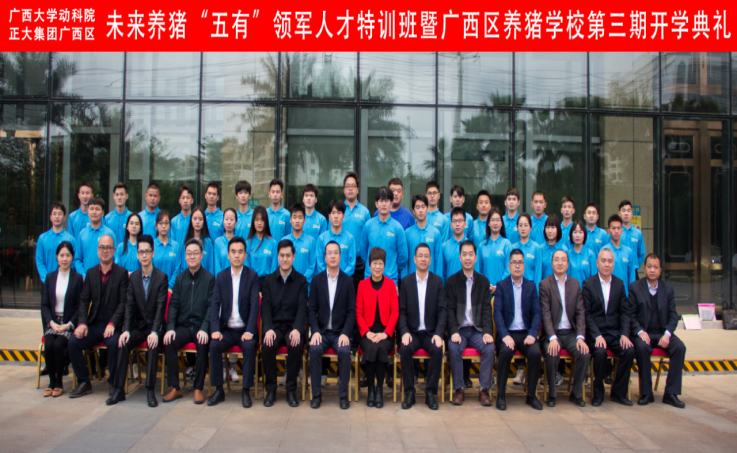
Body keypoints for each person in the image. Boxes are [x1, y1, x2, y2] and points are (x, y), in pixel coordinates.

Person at [106, 235, 168, 407]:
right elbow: (129, 305)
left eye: (147, 251)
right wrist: (126, 329)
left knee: (152, 344)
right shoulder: (133, 277)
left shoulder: (161, 277)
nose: (144, 255)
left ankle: (150, 390)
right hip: (139, 327)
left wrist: (155, 331)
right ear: (137, 254)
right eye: (141, 252)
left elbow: (160, 307)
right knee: (122, 342)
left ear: (153, 253)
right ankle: (118, 389)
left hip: (155, 327)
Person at [68, 235, 129, 398]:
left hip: (113, 326)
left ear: (114, 251)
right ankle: (84, 382)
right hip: (94, 325)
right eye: (102, 247)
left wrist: (112, 323)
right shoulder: (91, 273)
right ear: (97, 250)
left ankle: (113, 384)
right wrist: (82, 323)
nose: (105, 251)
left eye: (108, 247)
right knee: (73, 342)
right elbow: (83, 301)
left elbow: (123, 303)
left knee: (115, 343)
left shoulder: (121, 273)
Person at [207, 237, 260, 408]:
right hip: (227, 330)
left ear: (245, 255)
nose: (237, 255)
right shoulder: (221, 276)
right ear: (228, 255)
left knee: (249, 347)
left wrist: (250, 330)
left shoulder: (252, 276)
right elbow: (214, 305)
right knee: (214, 345)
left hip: (245, 329)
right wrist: (215, 329)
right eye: (233, 252)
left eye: (240, 252)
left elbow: (255, 306)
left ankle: (246, 391)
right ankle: (218, 390)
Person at [163, 238, 216, 405]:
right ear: (185, 256)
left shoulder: (209, 279)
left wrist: (205, 328)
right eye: (189, 253)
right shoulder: (179, 279)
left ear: (201, 255)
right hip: (184, 326)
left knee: (203, 342)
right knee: (169, 340)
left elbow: (212, 307)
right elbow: (173, 306)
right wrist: (170, 328)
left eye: (195, 253)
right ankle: (175, 387)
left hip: (201, 326)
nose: (192, 256)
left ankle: (198, 388)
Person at [630, 253, 686, 408]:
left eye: (655, 267)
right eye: (649, 266)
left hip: (662, 333)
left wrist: (667, 334)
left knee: (680, 347)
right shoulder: (635, 287)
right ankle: (646, 393)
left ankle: (671, 394)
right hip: (644, 334)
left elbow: (673, 315)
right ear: (644, 268)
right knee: (642, 348)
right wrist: (640, 332)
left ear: (660, 270)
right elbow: (631, 315)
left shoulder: (667, 289)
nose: (652, 270)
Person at [583, 248, 635, 407]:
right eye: (603, 261)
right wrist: (597, 335)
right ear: (597, 263)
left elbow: (625, 313)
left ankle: (618, 392)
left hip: (614, 333)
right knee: (599, 353)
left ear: (614, 264)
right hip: (596, 334)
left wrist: (624, 334)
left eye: (610, 261)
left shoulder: (619, 284)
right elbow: (587, 314)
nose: (607, 264)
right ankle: (598, 394)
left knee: (629, 351)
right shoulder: (588, 284)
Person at [308, 241, 356, 410]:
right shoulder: (317, 280)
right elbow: (311, 310)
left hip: (339, 333)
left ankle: (343, 395)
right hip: (321, 332)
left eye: (336, 253)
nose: (333, 256)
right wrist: (314, 331)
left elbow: (351, 312)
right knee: (314, 349)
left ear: (340, 256)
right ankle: (316, 395)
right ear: (325, 256)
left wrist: (345, 333)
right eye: (330, 253)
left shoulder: (348, 281)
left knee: (344, 351)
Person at [539, 249, 590, 408]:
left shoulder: (575, 284)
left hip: (571, 334)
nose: (559, 263)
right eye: (556, 259)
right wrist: (552, 337)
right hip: (552, 333)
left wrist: (580, 337)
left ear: (568, 264)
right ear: (552, 263)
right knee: (552, 353)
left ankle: (576, 393)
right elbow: (545, 314)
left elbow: (580, 312)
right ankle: (552, 394)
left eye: (563, 260)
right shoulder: (545, 284)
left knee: (584, 354)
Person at [261, 240, 309, 408]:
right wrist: (267, 329)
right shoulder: (268, 280)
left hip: (291, 327)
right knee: (267, 345)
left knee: (295, 345)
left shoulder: (301, 280)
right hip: (274, 328)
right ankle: (271, 390)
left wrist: (297, 329)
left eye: (288, 255)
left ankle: (291, 390)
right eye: (282, 255)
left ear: (294, 257)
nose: (285, 259)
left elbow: (302, 307)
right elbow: (265, 307)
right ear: (278, 257)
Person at [446, 240, 494, 407]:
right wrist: (453, 331)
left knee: (489, 348)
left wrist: (487, 331)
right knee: (453, 348)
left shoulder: (483, 282)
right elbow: (449, 310)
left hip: (476, 330)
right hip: (459, 330)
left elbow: (487, 310)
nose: (467, 258)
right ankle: (459, 389)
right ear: (460, 257)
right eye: (464, 254)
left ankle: (484, 389)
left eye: (471, 254)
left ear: (475, 257)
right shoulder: (451, 282)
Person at [494, 249, 544, 411]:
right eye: (514, 263)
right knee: (505, 352)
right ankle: (501, 395)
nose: (517, 266)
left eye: (520, 263)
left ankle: (531, 396)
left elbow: (537, 313)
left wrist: (533, 334)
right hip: (508, 333)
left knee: (535, 353)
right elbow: (497, 313)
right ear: (509, 266)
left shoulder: (531, 286)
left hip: (525, 333)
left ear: (524, 265)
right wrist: (504, 335)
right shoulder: (502, 286)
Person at [398, 243, 446, 410]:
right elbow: (401, 312)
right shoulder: (406, 282)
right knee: (404, 348)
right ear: (414, 259)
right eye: (420, 256)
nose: (423, 259)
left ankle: (430, 393)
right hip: (412, 332)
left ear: (430, 260)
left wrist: (438, 334)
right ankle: (409, 392)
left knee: (437, 349)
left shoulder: (437, 281)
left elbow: (442, 311)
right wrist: (404, 332)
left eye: (426, 256)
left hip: (430, 333)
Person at [356, 248, 399, 409]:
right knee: (370, 347)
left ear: (384, 265)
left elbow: (395, 312)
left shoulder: (390, 284)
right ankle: (371, 390)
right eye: (374, 263)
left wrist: (386, 333)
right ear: (369, 265)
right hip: (367, 332)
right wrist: (367, 333)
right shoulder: (362, 285)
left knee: (380, 347)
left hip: (385, 333)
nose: (377, 267)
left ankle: (379, 389)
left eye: (380, 263)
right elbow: (358, 313)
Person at [40, 241, 83, 397]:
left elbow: (80, 307)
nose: (65, 259)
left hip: (68, 323)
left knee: (58, 345)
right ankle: (51, 382)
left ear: (72, 257)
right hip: (53, 322)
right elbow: (45, 305)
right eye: (62, 255)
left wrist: (68, 325)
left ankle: (59, 382)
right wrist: (51, 323)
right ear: (57, 257)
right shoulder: (50, 277)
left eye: (68, 255)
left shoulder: (77, 278)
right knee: (49, 344)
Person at [360, 187, 408, 285]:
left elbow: (403, 256)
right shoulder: (368, 226)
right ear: (376, 204)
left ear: (391, 203)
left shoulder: (397, 228)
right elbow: (363, 252)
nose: (384, 204)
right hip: (369, 279)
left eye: (386, 200)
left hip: (391, 280)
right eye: (381, 200)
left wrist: (391, 268)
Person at [73, 198, 117, 278]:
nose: (94, 212)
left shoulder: (110, 234)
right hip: (86, 279)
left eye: (97, 209)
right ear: (88, 211)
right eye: (91, 209)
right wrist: (83, 275)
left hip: (106, 278)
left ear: (102, 213)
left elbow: (115, 258)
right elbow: (77, 259)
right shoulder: (82, 234)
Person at [342, 172, 371, 289]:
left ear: (358, 190)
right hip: (341, 260)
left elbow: (369, 238)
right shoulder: (338, 210)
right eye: (347, 186)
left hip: (360, 263)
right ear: (344, 190)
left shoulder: (365, 212)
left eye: (353, 186)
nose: (350, 189)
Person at [36, 202, 76, 284]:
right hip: (47, 282)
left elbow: (74, 261)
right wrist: (46, 279)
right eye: (54, 214)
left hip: (65, 282)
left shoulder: (71, 239)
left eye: (59, 214)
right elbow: (39, 261)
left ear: (64, 217)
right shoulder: (42, 238)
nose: (57, 216)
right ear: (50, 217)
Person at [404, 194, 443, 277]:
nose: (420, 210)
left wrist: (438, 282)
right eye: (417, 207)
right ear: (414, 211)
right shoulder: (407, 233)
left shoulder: (435, 233)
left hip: (431, 280)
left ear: (427, 209)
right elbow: (405, 261)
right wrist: (405, 281)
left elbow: (439, 262)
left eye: (423, 207)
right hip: (412, 280)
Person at [316, 200, 356, 276]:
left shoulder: (350, 239)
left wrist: (340, 278)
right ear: (329, 216)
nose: (336, 216)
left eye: (339, 213)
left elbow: (351, 265)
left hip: (344, 280)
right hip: (325, 280)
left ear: (343, 216)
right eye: (333, 213)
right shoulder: (321, 239)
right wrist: (329, 278)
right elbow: (319, 264)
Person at [478, 207, 512, 294]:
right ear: (488, 223)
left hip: (503, 291)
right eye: (492, 220)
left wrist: (499, 286)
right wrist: (486, 285)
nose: (495, 223)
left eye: (498, 220)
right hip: (485, 291)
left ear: (501, 223)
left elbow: (508, 269)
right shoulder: (482, 246)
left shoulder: (506, 244)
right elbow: (479, 270)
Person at [602, 214, 637, 296]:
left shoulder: (628, 252)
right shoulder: (604, 251)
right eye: (613, 228)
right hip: (607, 295)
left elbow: (632, 277)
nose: (616, 231)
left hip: (625, 295)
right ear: (609, 230)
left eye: (618, 228)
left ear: (622, 230)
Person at [284, 203, 317, 286]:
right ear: (290, 220)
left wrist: (301, 280)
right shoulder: (284, 241)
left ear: (304, 220)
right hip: (288, 284)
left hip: (306, 286)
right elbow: (281, 263)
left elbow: (312, 265)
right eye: (294, 217)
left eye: (300, 217)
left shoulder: (311, 241)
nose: (297, 221)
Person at [245, 206, 278, 287]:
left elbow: (274, 268)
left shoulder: (273, 243)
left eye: (262, 220)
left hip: (268, 283)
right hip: (252, 283)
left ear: (266, 222)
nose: (259, 223)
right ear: (253, 222)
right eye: (256, 219)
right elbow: (246, 268)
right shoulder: (247, 243)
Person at [180, 206, 217, 276]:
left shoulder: (208, 242)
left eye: (200, 219)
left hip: (204, 279)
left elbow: (211, 267)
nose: (197, 222)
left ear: (204, 222)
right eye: (195, 219)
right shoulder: (185, 242)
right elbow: (182, 265)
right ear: (191, 220)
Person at [511, 212, 543, 290]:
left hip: (530, 288)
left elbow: (538, 273)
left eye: (526, 225)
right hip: (514, 287)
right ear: (517, 227)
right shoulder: (512, 248)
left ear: (530, 228)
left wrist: (536, 292)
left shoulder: (536, 248)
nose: (523, 228)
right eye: (520, 225)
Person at [152, 210, 181, 290]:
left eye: (166, 223)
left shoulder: (176, 246)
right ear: (156, 226)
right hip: (155, 289)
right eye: (160, 223)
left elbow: (177, 269)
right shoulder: (152, 245)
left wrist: (170, 287)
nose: (163, 226)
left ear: (169, 225)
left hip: (171, 289)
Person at [441, 207, 470, 283]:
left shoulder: (470, 246)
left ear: (465, 224)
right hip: (449, 288)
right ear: (451, 225)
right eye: (454, 221)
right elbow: (443, 273)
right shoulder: (444, 247)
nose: (457, 224)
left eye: (460, 221)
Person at [619, 200, 646, 274]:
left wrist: (635, 266)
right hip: (619, 270)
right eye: (623, 211)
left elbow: (641, 254)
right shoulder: (616, 233)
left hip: (633, 271)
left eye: (628, 211)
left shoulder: (638, 233)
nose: (626, 213)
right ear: (619, 213)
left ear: (632, 213)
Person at [567, 221, 597, 287]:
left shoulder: (590, 254)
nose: (577, 235)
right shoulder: (567, 254)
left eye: (580, 232)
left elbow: (594, 279)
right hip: (570, 291)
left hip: (586, 291)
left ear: (584, 235)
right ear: (571, 235)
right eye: (575, 232)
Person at [540, 215, 569, 280]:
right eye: (548, 227)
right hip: (544, 285)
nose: (550, 231)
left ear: (558, 229)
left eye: (553, 227)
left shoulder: (564, 250)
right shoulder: (540, 249)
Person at [214, 208, 238, 275]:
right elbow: (217, 265)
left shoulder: (239, 242)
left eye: (231, 219)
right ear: (223, 221)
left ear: (236, 222)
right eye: (226, 219)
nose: (229, 222)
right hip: (222, 278)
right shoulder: (218, 242)